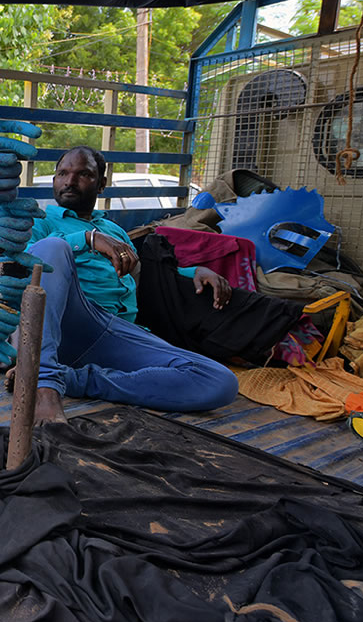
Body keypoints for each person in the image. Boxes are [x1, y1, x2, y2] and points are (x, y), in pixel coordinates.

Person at [25, 145, 239, 424]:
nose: (69, 181)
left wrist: (193, 272)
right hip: (67, 323)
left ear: (101, 184)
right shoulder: (39, 222)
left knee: (219, 381)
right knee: (51, 248)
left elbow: (141, 270)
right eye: (62, 173)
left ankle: (75, 380)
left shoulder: (113, 230)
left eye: (83, 174)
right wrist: (86, 239)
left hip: (115, 333)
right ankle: (44, 385)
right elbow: (22, 264)